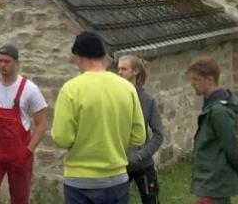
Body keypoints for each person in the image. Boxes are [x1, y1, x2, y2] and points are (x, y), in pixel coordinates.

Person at [51, 31, 146, 204]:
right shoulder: (127, 88)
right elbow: (139, 136)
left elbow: (62, 138)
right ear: (102, 57)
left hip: (80, 182)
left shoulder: (71, 89)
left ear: (79, 57)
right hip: (116, 179)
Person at [0, 44, 48, 204]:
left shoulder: (30, 89)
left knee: (20, 200)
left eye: (6, 61)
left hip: (20, 154)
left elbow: (41, 125)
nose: (2, 65)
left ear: (16, 62)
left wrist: (28, 151)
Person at [187, 56, 238, 204]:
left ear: (210, 80)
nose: (192, 83)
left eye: (196, 79)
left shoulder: (219, 111)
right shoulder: (211, 106)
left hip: (215, 183)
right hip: (209, 183)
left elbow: (232, 145)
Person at [117, 55, 164, 204]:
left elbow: (159, 134)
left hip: (144, 166)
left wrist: (140, 155)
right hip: (119, 166)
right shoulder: (113, 98)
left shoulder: (147, 100)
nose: (119, 72)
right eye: (118, 68)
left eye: (123, 68)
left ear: (135, 71)